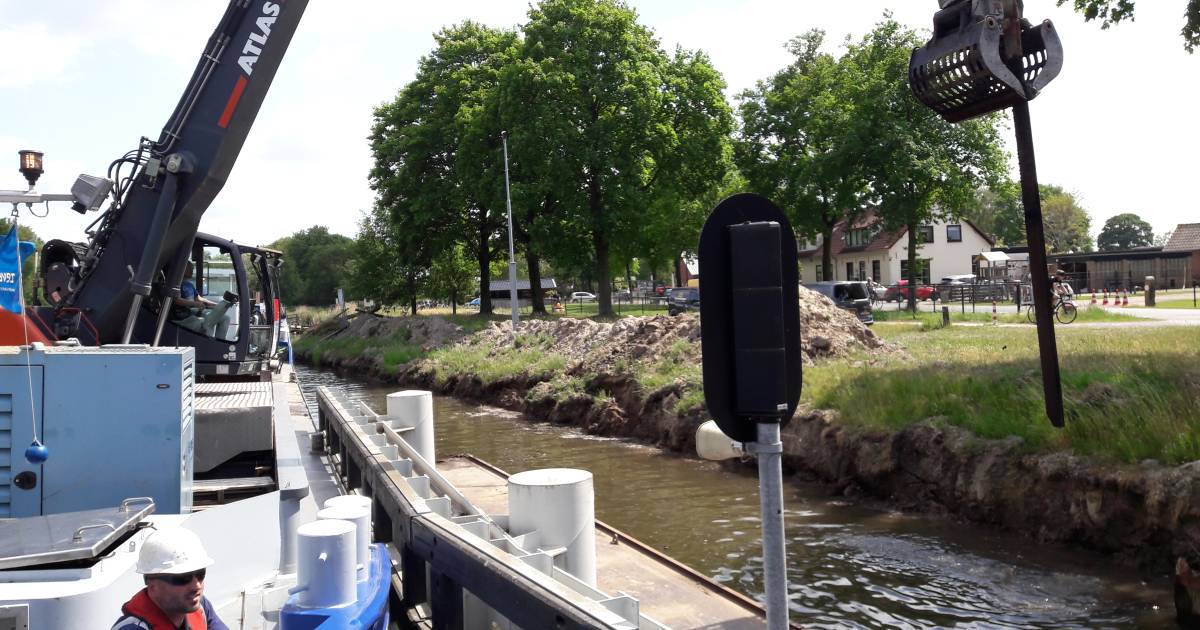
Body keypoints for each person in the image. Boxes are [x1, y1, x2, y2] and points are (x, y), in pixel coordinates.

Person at [111, 527, 229, 630]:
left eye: (200, 574)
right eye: (183, 578)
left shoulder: (201, 606)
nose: (196, 586)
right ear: (153, 587)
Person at [173, 261, 235, 339]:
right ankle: (207, 343)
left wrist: (217, 305)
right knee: (207, 321)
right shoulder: (176, 284)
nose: (192, 270)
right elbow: (177, 300)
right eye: (190, 268)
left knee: (225, 318)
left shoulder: (189, 284)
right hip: (185, 313)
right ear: (183, 268)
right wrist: (195, 304)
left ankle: (220, 342)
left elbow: (199, 298)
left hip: (194, 310)